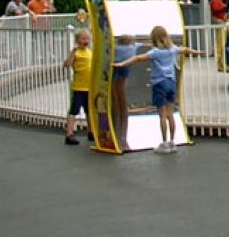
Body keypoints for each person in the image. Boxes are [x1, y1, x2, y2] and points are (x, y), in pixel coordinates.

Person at [114, 25, 203, 154]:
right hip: (171, 82)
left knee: (162, 115)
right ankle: (173, 141)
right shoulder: (172, 49)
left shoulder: (155, 52)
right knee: (170, 114)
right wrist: (197, 52)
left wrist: (122, 63)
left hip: (159, 83)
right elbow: (185, 50)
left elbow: (138, 58)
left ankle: (164, 142)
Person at [111, 33, 141, 149]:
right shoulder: (134, 46)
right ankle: (122, 114)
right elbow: (143, 44)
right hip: (125, 66)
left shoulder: (117, 48)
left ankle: (117, 114)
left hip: (116, 66)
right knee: (120, 87)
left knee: (115, 87)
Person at [63, 28, 93, 145]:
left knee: (89, 110)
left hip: (89, 86)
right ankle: (69, 133)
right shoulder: (76, 52)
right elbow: (67, 64)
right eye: (83, 38)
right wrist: (72, 53)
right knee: (74, 110)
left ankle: (91, 131)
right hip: (79, 86)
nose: (86, 40)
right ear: (77, 40)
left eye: (87, 38)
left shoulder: (89, 52)